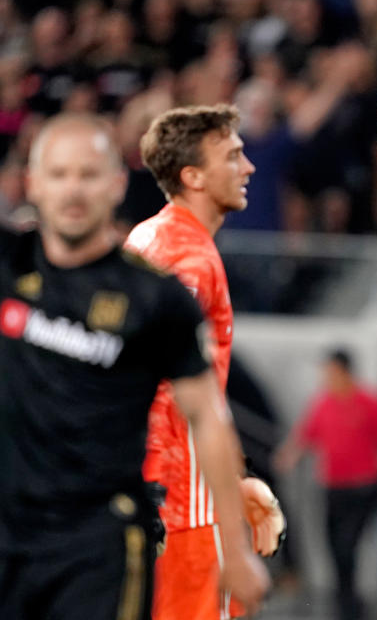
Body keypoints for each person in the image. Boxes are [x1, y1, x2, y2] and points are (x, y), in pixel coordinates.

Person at [0, 0, 268, 620]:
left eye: (88, 175)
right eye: (58, 175)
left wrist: (234, 548)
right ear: (33, 185)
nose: (73, 189)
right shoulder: (5, 258)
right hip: (10, 545)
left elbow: (207, 417)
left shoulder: (154, 296)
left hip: (105, 547)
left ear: (114, 185)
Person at [124, 103, 286, 620]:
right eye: (233, 156)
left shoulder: (149, 238)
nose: (249, 167)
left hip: (150, 497)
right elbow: (172, 387)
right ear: (192, 176)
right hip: (180, 510)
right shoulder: (189, 258)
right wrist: (221, 511)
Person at [273, 349, 377, 620]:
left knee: (349, 545)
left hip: (364, 489)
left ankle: (351, 606)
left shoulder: (369, 402)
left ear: (345, 372)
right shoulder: (323, 404)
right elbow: (305, 436)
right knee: (334, 547)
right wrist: (287, 456)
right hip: (333, 489)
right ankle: (346, 603)